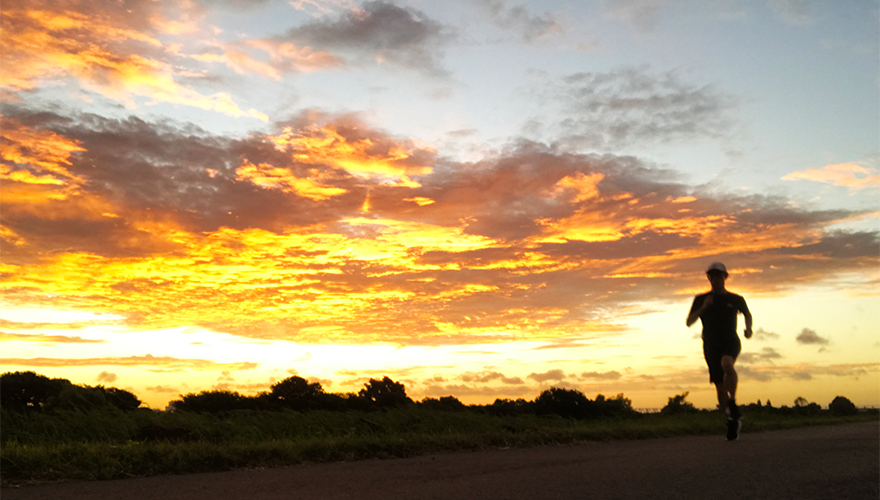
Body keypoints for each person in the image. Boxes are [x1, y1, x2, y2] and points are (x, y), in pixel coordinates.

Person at [687, 262, 753, 441]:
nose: (716, 279)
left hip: (730, 341)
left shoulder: (735, 299)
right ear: (709, 278)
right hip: (710, 344)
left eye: (719, 276)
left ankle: (733, 401)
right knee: (719, 387)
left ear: (725, 277)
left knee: (727, 364)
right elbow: (689, 321)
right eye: (713, 276)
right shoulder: (701, 299)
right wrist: (704, 307)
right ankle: (731, 419)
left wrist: (748, 329)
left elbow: (747, 314)